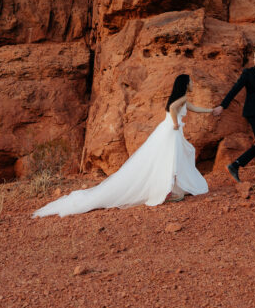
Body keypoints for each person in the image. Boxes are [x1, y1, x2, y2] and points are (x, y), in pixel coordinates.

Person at [32, 74, 213, 217]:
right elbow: (173, 109)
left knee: (172, 158)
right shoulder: (179, 99)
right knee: (171, 159)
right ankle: (168, 190)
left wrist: (212, 110)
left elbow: (193, 108)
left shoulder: (183, 99)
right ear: (184, 84)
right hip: (170, 131)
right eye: (190, 82)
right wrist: (174, 123)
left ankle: (171, 189)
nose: (192, 84)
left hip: (168, 130)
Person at [213, 47, 255, 181]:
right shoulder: (248, 73)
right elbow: (235, 89)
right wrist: (223, 106)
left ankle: (236, 165)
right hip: (252, 111)